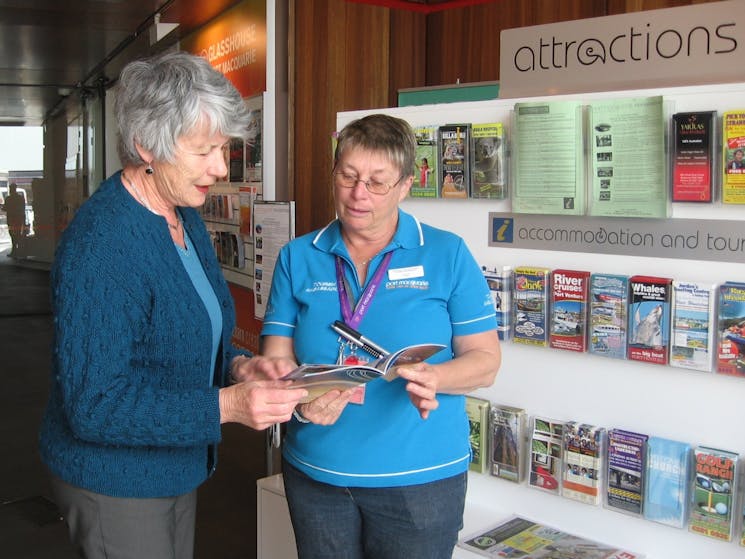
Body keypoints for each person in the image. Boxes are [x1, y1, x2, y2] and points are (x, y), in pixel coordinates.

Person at [38, 50, 308, 559]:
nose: (220, 166)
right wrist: (226, 405)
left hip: (172, 464)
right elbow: (93, 406)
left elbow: (190, 334)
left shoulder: (183, 215)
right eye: (204, 149)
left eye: (223, 147)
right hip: (114, 481)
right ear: (146, 146)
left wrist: (239, 366)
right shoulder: (103, 246)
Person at [260, 113, 502, 559]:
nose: (358, 194)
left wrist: (436, 378)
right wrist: (300, 401)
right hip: (318, 476)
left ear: (406, 185)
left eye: (377, 182)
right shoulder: (298, 256)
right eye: (347, 176)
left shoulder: (447, 253)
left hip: (420, 481)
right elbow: (275, 361)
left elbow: (485, 360)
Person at [2, 182, 26, 256]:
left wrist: (3, 207)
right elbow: (23, 208)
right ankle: (19, 250)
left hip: (11, 219)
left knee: (12, 234)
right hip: (19, 219)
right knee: (18, 234)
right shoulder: (20, 198)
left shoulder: (8, 198)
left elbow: (5, 208)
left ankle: (14, 250)